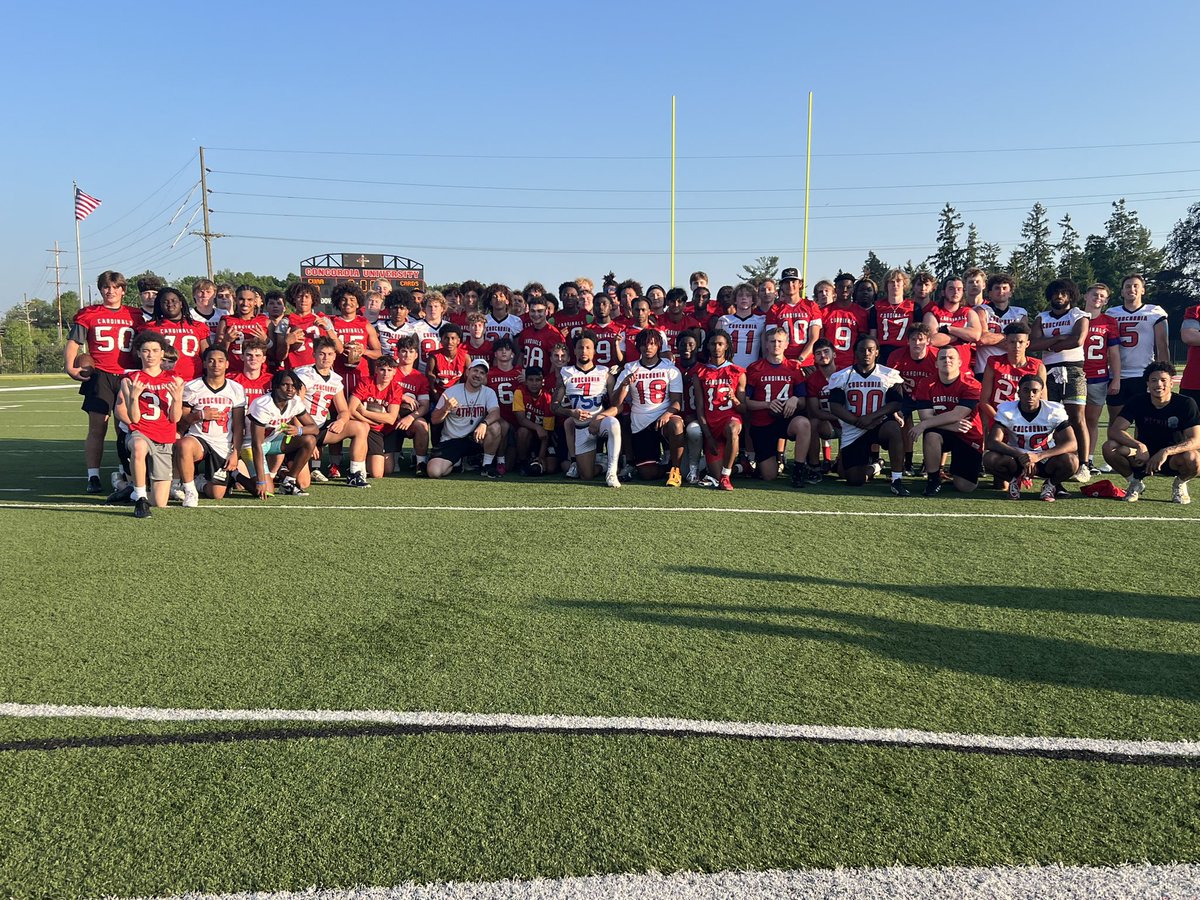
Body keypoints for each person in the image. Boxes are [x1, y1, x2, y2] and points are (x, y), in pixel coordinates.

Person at [65, 270, 140, 493]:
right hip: (101, 375)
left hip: (129, 374)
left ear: (123, 290)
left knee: (124, 428)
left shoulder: (136, 315)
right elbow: (73, 342)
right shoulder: (89, 313)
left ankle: (124, 471)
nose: (111, 291)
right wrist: (70, 366)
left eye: (115, 287)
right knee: (97, 427)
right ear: (101, 290)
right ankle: (93, 476)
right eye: (106, 287)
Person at [1102, 362, 1200, 504]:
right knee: (1109, 447)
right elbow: (1115, 430)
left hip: (1172, 458)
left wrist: (1166, 451)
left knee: (1194, 458)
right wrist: (1140, 446)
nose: (1158, 384)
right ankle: (1134, 482)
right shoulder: (1138, 400)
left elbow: (1196, 440)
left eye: (1163, 380)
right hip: (1143, 456)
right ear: (1147, 383)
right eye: (1153, 380)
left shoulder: (1185, 403)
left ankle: (1180, 483)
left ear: (1172, 383)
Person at [112, 330, 185, 517]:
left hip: (164, 435)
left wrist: (177, 399)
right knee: (138, 446)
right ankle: (140, 498)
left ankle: (126, 487)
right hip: (141, 431)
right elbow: (134, 419)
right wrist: (134, 397)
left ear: (162, 353)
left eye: (154, 350)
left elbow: (175, 419)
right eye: (145, 350)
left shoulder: (175, 379)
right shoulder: (130, 380)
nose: (150, 355)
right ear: (138, 353)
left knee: (160, 502)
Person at [827, 336, 907, 493]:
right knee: (853, 480)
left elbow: (896, 403)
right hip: (854, 428)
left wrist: (872, 417)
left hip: (879, 424)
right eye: (862, 349)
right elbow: (835, 406)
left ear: (877, 352)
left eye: (870, 349)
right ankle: (876, 466)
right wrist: (858, 421)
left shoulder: (888, 374)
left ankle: (897, 479)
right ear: (855, 352)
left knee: (893, 428)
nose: (866, 353)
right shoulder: (843, 376)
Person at [1029, 278, 1090, 480]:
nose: (1059, 296)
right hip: (1048, 370)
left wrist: (1049, 343)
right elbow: (1033, 344)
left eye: (1064, 293)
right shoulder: (1042, 317)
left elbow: (1077, 340)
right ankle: (1051, 460)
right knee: (1050, 418)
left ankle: (1083, 463)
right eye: (1056, 293)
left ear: (1071, 295)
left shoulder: (1079, 314)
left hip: (1073, 370)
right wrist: (1058, 339)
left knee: (1077, 418)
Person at [984, 374, 1078, 501]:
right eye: (1026, 390)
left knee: (1072, 461)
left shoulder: (1052, 410)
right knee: (990, 458)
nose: (1030, 395)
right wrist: (1021, 455)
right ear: (1019, 393)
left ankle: (1050, 485)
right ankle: (1014, 481)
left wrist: (1039, 456)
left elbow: (1072, 443)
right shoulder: (1007, 410)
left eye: (1035, 391)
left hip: (1045, 459)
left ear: (1041, 393)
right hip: (1017, 459)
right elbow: (992, 442)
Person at [294, 337, 371, 487]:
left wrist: (341, 421)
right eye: (322, 354)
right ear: (314, 354)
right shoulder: (304, 375)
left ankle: (355, 474)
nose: (326, 358)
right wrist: (306, 436)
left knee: (361, 427)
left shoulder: (335, 379)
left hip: (320, 428)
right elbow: (294, 409)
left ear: (335, 356)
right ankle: (284, 468)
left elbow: (343, 410)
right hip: (303, 428)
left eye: (330, 354)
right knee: (303, 484)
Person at [909, 346, 985, 497]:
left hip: (967, 433)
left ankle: (956, 472)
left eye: (951, 358)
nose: (947, 361)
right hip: (946, 431)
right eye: (942, 358)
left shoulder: (971, 384)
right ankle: (933, 479)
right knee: (931, 435)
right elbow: (925, 416)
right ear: (936, 363)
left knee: (965, 487)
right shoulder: (926, 383)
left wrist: (924, 425)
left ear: (959, 363)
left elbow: (958, 414)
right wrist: (949, 425)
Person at [612, 329, 686, 484]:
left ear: (659, 346)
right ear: (638, 346)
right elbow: (615, 403)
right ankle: (665, 465)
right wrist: (624, 384)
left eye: (652, 344)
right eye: (644, 344)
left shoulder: (670, 369)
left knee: (676, 423)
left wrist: (666, 415)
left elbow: (677, 402)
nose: (648, 348)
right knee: (647, 474)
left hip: (663, 421)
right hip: (641, 424)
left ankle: (676, 470)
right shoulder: (630, 369)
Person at [176, 345, 246, 506]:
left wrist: (235, 453)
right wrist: (199, 415)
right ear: (205, 364)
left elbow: (238, 424)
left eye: (220, 361)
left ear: (227, 364)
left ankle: (199, 482)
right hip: (199, 438)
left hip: (222, 443)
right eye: (211, 361)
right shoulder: (193, 387)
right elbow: (181, 419)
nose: (216, 364)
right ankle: (190, 490)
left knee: (216, 494)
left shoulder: (236, 389)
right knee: (184, 445)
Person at [744, 325, 812, 484]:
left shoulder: (794, 368)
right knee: (769, 476)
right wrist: (767, 405)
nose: (776, 345)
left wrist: (795, 399)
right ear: (766, 344)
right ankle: (764, 462)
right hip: (762, 423)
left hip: (785, 420)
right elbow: (746, 403)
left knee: (803, 423)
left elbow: (803, 401)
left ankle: (798, 470)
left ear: (787, 344)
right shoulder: (755, 368)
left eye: (780, 341)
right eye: (772, 341)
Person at [555, 330, 622, 487]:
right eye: (580, 347)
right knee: (586, 476)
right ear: (575, 350)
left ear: (594, 350)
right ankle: (603, 463)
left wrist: (599, 417)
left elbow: (618, 406)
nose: (583, 351)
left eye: (588, 347)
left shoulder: (604, 373)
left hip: (600, 422)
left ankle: (611, 473)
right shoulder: (566, 373)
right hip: (581, 426)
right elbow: (554, 406)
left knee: (613, 424)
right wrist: (570, 412)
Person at [239, 368, 318, 499]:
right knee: (266, 492)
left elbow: (314, 428)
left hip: (272, 440)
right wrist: (261, 481)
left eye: (293, 386)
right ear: (275, 387)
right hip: (250, 446)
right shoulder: (263, 405)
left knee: (309, 439)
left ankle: (289, 482)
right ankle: (235, 475)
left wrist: (298, 430)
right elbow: (256, 444)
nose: (290, 389)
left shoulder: (295, 402)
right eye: (285, 385)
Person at [1106, 274, 1170, 422]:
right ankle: (1118, 447)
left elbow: (1162, 345)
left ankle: (1141, 446)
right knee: (1116, 421)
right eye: (1127, 286)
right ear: (1122, 292)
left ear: (1143, 290)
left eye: (1136, 286)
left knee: (1144, 421)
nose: (1131, 289)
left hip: (1143, 374)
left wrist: (1164, 373)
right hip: (1117, 375)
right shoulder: (1111, 313)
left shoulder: (1154, 312)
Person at [428, 359, 504, 479]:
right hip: (452, 439)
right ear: (467, 372)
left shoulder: (488, 392)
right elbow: (434, 420)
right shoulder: (452, 391)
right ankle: (457, 462)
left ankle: (486, 465)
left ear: (485, 377)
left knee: (495, 427)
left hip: (474, 438)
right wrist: (445, 409)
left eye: (482, 373)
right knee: (434, 472)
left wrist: (484, 423)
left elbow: (495, 413)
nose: (478, 375)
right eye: (475, 371)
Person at [691, 330, 747, 491]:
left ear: (726, 346)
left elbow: (743, 408)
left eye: (720, 344)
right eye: (713, 344)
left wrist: (734, 399)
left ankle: (726, 476)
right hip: (711, 425)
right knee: (715, 473)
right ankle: (740, 468)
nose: (716, 347)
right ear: (707, 346)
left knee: (733, 429)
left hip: (728, 420)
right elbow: (700, 409)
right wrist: (708, 436)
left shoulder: (737, 372)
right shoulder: (700, 372)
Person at [886, 324, 940, 474]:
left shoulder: (936, 356)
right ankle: (907, 462)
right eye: (913, 339)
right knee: (903, 419)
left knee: (933, 421)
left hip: (929, 396)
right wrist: (895, 407)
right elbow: (890, 383)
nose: (917, 343)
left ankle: (931, 463)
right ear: (907, 341)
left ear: (928, 341)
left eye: (921, 339)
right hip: (906, 396)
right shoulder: (896, 356)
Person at [1081, 283, 1122, 474]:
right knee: (1071, 418)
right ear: (1085, 297)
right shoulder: (1075, 316)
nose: (1098, 298)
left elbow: (1114, 353)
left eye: (1102, 296)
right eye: (1095, 294)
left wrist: (1116, 378)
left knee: (1091, 420)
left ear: (1106, 301)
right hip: (1076, 375)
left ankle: (1088, 459)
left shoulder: (1109, 321)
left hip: (1098, 377)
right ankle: (1073, 457)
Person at [979, 322, 1046, 434]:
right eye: (1012, 342)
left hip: (1025, 421)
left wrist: (1028, 422)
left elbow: (1043, 401)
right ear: (1006, 343)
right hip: (998, 418)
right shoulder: (994, 363)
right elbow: (984, 401)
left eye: (1021, 342)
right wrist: (1002, 421)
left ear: (1027, 344)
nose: (1017, 346)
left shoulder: (1037, 366)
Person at [347, 354, 404, 479]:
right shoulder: (366, 382)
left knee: (388, 469)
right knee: (377, 474)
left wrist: (364, 412)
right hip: (369, 428)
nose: (386, 374)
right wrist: (369, 422)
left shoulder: (396, 388)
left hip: (386, 430)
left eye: (390, 370)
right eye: (383, 369)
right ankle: (359, 460)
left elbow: (391, 418)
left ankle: (367, 454)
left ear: (395, 371)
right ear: (377, 369)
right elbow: (350, 410)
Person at [138, 287, 210, 383]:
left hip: (193, 381)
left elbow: (206, 355)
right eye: (165, 302)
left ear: (181, 303)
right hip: (161, 381)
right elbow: (139, 356)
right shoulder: (150, 328)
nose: (170, 304)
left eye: (173, 300)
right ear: (159, 306)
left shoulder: (198, 326)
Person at [388, 335, 432, 474]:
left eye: (411, 351)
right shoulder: (389, 371)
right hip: (389, 417)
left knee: (422, 424)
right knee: (389, 469)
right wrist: (402, 397)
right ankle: (390, 454)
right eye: (404, 351)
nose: (407, 355)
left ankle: (421, 463)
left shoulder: (420, 377)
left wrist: (411, 418)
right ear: (398, 353)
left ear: (416, 355)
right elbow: (379, 393)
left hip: (409, 418)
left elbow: (424, 405)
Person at [328, 282, 381, 397]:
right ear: (338, 302)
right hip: (336, 374)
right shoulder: (331, 323)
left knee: (357, 409)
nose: (348, 303)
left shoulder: (365, 324)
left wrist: (364, 351)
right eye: (343, 299)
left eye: (352, 299)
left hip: (360, 374)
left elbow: (378, 353)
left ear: (358, 304)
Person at [924, 275, 983, 373]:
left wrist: (948, 329)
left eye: (959, 289)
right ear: (943, 292)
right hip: (939, 371)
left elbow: (975, 335)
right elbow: (932, 341)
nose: (956, 292)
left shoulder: (968, 312)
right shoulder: (932, 313)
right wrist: (962, 336)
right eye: (951, 289)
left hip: (964, 371)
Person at [973, 273, 1027, 377]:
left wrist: (992, 339)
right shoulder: (981, 310)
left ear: (1010, 292)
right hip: (984, 368)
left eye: (1005, 288)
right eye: (997, 288)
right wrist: (1011, 339)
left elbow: (1023, 342)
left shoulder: (1020, 313)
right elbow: (982, 338)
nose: (1001, 291)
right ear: (990, 293)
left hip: (1012, 368)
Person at [766, 266, 822, 366]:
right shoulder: (775, 309)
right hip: (782, 363)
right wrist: (784, 362)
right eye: (787, 282)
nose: (790, 285)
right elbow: (772, 339)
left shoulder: (811, 306)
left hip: (806, 363)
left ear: (800, 284)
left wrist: (800, 359)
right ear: (781, 286)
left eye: (793, 281)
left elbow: (814, 338)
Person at [277, 282, 339, 370]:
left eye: (307, 297)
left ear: (313, 299)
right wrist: (286, 343)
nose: (303, 300)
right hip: (295, 371)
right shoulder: (285, 322)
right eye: (299, 296)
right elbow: (279, 357)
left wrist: (328, 330)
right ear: (294, 299)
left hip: (319, 372)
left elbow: (339, 349)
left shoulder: (323, 320)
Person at [215, 285, 269, 374]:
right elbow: (216, 352)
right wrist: (226, 340)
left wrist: (267, 341)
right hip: (232, 372)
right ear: (235, 299)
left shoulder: (265, 321)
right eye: (241, 299)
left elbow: (276, 354)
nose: (245, 303)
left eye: (249, 300)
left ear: (255, 301)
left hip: (258, 374)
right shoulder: (226, 320)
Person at [513, 365, 557, 474]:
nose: (534, 383)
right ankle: (522, 461)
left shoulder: (548, 398)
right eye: (531, 380)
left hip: (544, 436)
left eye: (537, 380)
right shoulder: (519, 392)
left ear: (543, 381)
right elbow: (521, 420)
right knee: (522, 431)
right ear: (526, 381)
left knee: (550, 468)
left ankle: (537, 459)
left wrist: (541, 457)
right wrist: (537, 427)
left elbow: (547, 432)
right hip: (528, 434)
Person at [821, 278, 870, 369]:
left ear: (853, 289)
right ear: (835, 289)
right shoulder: (825, 311)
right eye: (841, 287)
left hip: (852, 362)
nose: (845, 290)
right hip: (830, 361)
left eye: (848, 287)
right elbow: (820, 339)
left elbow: (863, 340)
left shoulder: (861, 313)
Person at [870, 269, 916, 361]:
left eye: (898, 281)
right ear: (886, 285)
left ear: (904, 284)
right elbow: (872, 335)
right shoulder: (876, 307)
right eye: (891, 282)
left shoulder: (914, 307)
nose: (895, 284)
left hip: (905, 352)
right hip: (883, 353)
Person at [718, 283, 766, 369]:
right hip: (729, 369)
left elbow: (765, 349)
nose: (744, 298)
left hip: (753, 369)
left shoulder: (761, 321)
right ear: (735, 300)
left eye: (748, 295)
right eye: (740, 295)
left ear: (753, 300)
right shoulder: (724, 320)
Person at [518, 296, 565, 371]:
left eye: (540, 311)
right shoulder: (525, 332)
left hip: (543, 379)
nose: (536, 314)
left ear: (546, 312)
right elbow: (521, 356)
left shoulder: (554, 334)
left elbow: (556, 362)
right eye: (533, 311)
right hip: (527, 379)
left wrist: (547, 379)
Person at [656, 289, 701, 362]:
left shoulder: (692, 323)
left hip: (684, 362)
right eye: (672, 301)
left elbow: (694, 350)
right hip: (662, 362)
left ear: (685, 304)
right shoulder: (657, 321)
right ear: (667, 302)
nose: (676, 305)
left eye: (679, 301)